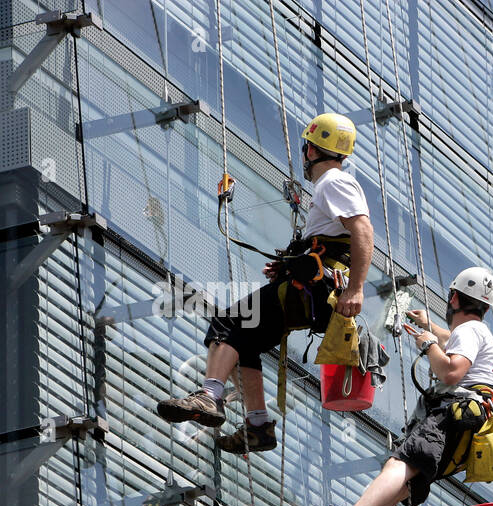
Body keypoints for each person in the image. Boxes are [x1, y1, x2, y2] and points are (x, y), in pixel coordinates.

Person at [157, 112, 374, 453]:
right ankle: (257, 426)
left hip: (313, 290)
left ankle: (210, 396)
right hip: (307, 289)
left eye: (306, 147)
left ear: (312, 151)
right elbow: (331, 241)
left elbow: (362, 231)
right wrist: (290, 265)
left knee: (228, 322)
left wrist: (356, 288)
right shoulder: (331, 186)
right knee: (245, 342)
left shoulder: (334, 182)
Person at [289, 267, 493, 506]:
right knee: (386, 494)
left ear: (454, 298)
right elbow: (455, 344)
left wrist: (429, 344)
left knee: (399, 462)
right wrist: (429, 328)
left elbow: (451, 371)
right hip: (466, 430)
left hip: (451, 417)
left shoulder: (470, 331)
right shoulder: (476, 333)